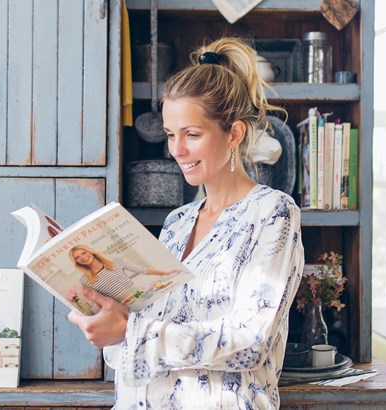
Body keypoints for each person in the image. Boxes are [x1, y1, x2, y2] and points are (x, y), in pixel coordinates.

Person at [68, 36, 304, 409]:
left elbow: (250, 342)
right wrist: (110, 322)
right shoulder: (177, 222)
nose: (177, 150)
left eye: (192, 134)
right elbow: (140, 341)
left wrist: (133, 331)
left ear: (234, 133)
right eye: (170, 135)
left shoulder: (272, 213)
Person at [69, 244, 177, 301]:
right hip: (122, 305)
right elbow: (99, 300)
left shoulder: (116, 261)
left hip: (140, 294)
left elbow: (143, 270)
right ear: (77, 262)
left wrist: (165, 273)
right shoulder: (85, 280)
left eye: (83, 253)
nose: (82, 257)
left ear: (90, 252)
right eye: (77, 257)